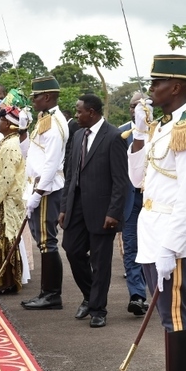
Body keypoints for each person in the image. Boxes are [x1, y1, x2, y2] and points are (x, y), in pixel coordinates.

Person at [128, 55, 186, 371]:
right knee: (166, 316)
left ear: (175, 87)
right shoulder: (161, 126)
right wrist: (140, 135)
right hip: (151, 229)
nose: (150, 89)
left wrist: (170, 247)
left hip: (170, 236)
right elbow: (137, 179)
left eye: (156, 83)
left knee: (174, 314)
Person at [59, 94, 128, 328]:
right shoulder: (78, 135)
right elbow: (70, 174)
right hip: (76, 206)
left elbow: (121, 180)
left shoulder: (114, 136)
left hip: (102, 210)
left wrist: (114, 212)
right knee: (71, 249)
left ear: (92, 112)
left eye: (79, 112)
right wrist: (64, 207)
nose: (76, 115)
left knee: (100, 262)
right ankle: (90, 295)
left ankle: (98, 309)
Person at [20, 76, 69, 310]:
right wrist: (22, 130)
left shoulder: (55, 124)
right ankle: (46, 292)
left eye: (36, 97)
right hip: (38, 185)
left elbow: (51, 164)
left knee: (46, 242)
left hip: (47, 188)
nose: (33, 101)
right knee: (43, 241)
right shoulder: (44, 120)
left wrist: (38, 193)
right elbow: (29, 153)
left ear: (47, 97)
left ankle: (51, 295)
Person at [0, 106, 27, 294]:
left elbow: (6, 177)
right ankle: (1, 280)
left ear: (8, 124)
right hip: (6, 199)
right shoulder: (9, 141)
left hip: (6, 200)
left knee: (4, 239)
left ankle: (5, 281)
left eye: (1, 120)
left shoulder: (10, 145)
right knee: (0, 239)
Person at [118, 92, 148, 317]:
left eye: (142, 105)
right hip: (129, 199)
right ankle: (137, 295)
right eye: (133, 105)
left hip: (154, 201)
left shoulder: (161, 131)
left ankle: (156, 289)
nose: (137, 108)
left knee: (153, 248)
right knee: (131, 248)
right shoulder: (120, 134)